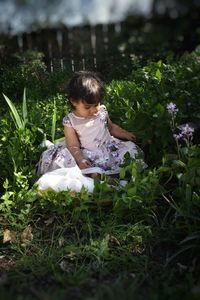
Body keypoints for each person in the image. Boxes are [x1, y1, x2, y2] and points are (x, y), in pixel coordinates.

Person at [37, 71, 146, 177]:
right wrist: (80, 160)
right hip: (88, 154)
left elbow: (111, 128)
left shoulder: (102, 111)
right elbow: (73, 145)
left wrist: (125, 133)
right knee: (86, 168)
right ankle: (98, 177)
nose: (94, 110)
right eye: (87, 107)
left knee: (131, 151)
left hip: (109, 149)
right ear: (74, 101)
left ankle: (112, 174)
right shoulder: (70, 121)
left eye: (96, 104)